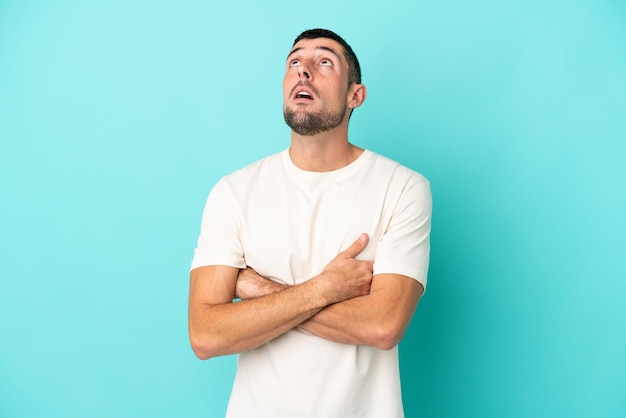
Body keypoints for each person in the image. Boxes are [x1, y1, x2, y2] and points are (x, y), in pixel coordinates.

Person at [188, 28, 432, 418]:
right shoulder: (234, 191)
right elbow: (205, 334)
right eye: (294, 63)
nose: (303, 72)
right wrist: (325, 289)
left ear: (356, 95)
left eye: (324, 63)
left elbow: (383, 326)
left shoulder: (402, 188)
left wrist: (259, 288)